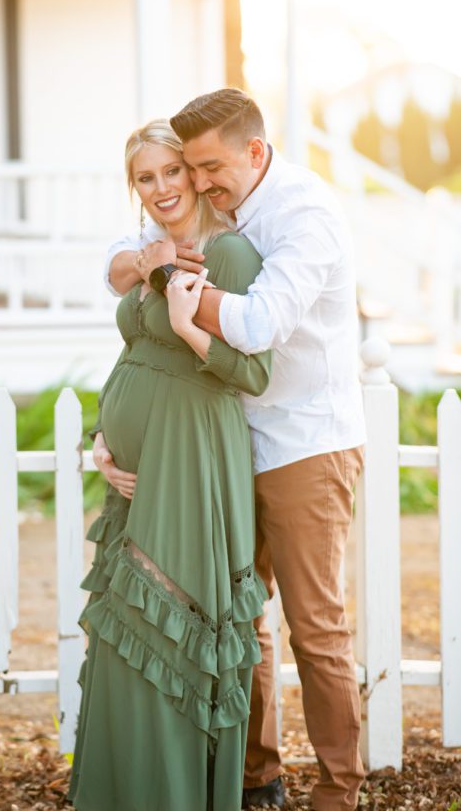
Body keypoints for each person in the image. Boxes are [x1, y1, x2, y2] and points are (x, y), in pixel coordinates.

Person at [100, 89, 366, 811]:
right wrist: (137, 261)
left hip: (304, 442)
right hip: (222, 448)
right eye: (191, 169)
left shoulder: (301, 215)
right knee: (234, 621)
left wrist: (162, 276)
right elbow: (126, 252)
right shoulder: (221, 205)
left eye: (209, 167)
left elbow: (255, 326)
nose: (197, 181)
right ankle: (256, 777)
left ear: (254, 151)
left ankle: (339, 790)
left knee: (314, 628)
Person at [68, 119, 272, 811]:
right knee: (129, 621)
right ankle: (126, 788)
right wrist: (104, 437)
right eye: (143, 178)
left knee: (171, 617)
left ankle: (177, 790)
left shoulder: (231, 255)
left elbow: (253, 371)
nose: (159, 188)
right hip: (138, 459)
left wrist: (189, 327)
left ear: (194, 173)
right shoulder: (150, 254)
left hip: (191, 452)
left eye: (170, 172)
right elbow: (133, 353)